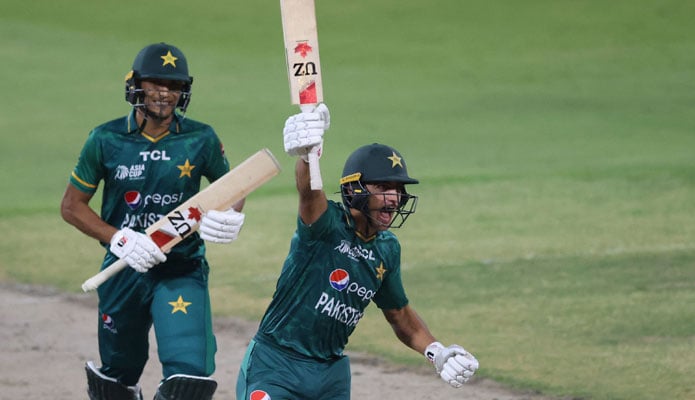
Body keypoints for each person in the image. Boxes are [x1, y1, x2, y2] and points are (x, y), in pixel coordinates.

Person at [235, 105, 479, 399]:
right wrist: (308, 153)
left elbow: (399, 314)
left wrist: (436, 351)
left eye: (398, 190)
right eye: (383, 188)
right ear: (354, 190)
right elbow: (309, 191)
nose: (393, 199)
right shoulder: (325, 225)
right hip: (276, 364)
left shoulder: (387, 249)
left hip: (330, 375)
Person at [60, 42, 246, 400]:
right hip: (123, 267)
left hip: (181, 267)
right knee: (114, 383)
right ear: (136, 86)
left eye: (174, 86)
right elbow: (71, 206)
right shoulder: (105, 139)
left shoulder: (201, 138)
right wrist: (120, 240)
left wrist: (229, 216)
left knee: (189, 381)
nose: (165, 94)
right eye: (156, 84)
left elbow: (234, 188)